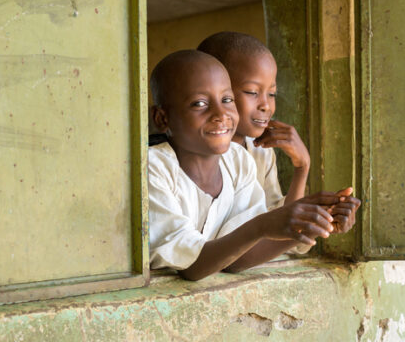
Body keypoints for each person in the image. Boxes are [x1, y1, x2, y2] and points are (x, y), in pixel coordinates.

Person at [148, 49, 345, 281]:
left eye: (227, 100)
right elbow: (192, 267)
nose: (221, 114)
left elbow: (237, 258)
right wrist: (262, 226)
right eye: (199, 103)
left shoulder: (237, 161)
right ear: (162, 119)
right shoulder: (152, 168)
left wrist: (315, 224)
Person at [198, 32, 361, 238]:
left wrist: (302, 168)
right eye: (251, 92)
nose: (266, 105)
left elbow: (279, 223)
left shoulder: (260, 151)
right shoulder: (196, 155)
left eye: (272, 93)